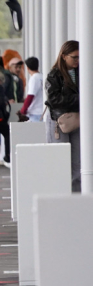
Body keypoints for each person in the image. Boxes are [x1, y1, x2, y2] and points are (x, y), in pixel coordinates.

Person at [46, 40, 81, 192]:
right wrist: (79, 98)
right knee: (60, 159)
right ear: (64, 56)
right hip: (59, 121)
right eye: (74, 57)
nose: (77, 60)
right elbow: (54, 100)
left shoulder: (83, 72)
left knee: (78, 161)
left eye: (80, 57)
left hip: (77, 120)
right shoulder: (54, 75)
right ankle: (61, 193)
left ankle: (76, 194)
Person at [18, 57, 43, 123]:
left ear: (27, 68)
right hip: (43, 111)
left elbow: (30, 96)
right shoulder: (42, 77)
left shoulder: (34, 79)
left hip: (35, 112)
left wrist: (23, 110)